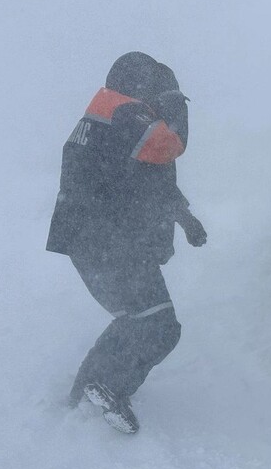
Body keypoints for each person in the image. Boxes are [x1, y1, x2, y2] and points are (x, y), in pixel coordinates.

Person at [48, 51, 207, 433]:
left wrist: (184, 217)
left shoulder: (103, 117)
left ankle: (83, 390)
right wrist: (174, 109)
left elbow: (145, 178)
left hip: (96, 241)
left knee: (134, 321)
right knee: (161, 327)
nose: (161, 105)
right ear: (142, 88)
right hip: (111, 243)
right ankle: (107, 389)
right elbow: (168, 147)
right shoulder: (123, 113)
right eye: (161, 95)